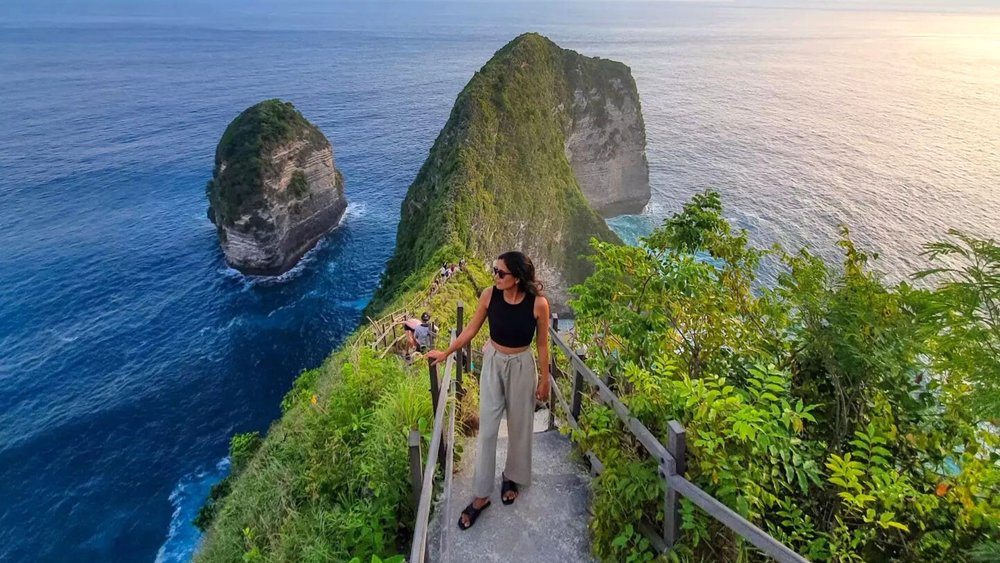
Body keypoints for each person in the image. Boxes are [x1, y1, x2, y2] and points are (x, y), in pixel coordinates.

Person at [427, 251, 550, 531]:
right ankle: (481, 495)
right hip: (493, 364)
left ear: (516, 278)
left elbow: (542, 345)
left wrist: (545, 379)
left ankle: (512, 476)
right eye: (494, 270)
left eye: (500, 273)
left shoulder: (538, 304)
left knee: (520, 426)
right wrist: (447, 352)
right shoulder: (489, 295)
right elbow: (471, 330)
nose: (494, 276)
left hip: (522, 365)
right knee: (489, 430)